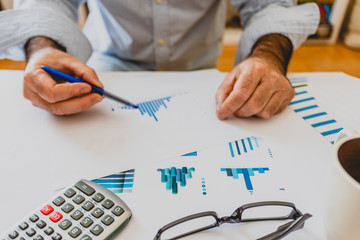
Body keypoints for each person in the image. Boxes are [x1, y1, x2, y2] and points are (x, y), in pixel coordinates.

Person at [0, 0, 319, 118]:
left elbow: (268, 6)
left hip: (199, 70)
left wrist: (269, 58)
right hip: (108, 68)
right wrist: (42, 48)